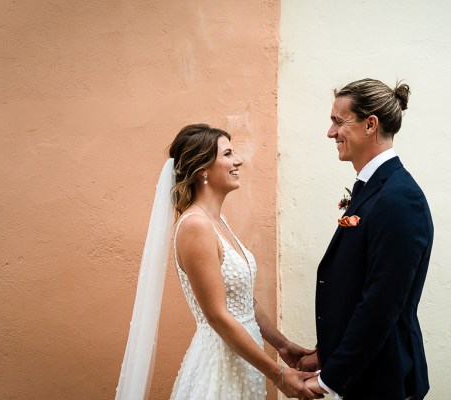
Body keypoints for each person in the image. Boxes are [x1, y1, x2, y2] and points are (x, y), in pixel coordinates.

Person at [117, 124, 322, 400]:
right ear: (203, 169)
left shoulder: (217, 221)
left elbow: (242, 301)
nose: (238, 161)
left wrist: (282, 345)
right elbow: (217, 316)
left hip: (243, 361)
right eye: (227, 154)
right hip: (218, 366)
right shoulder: (196, 226)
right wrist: (278, 374)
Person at [300, 79, 434, 400]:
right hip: (365, 374)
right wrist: (327, 353)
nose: (330, 133)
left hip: (384, 380)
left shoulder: (399, 198)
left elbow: (381, 304)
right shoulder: (375, 189)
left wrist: (329, 378)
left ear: (370, 124)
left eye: (338, 121)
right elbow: (355, 284)